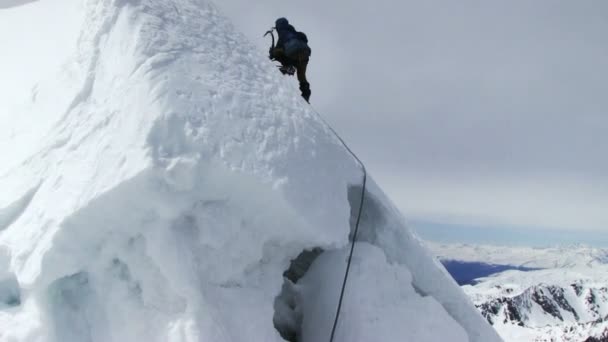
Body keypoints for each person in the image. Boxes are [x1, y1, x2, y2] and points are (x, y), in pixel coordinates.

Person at [269, 18, 311, 102]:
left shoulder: (283, 33)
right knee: (301, 75)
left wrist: (272, 54)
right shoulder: (298, 33)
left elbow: (279, 49)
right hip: (305, 54)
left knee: (278, 53)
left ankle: (288, 67)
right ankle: (306, 93)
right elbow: (305, 39)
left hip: (293, 52)